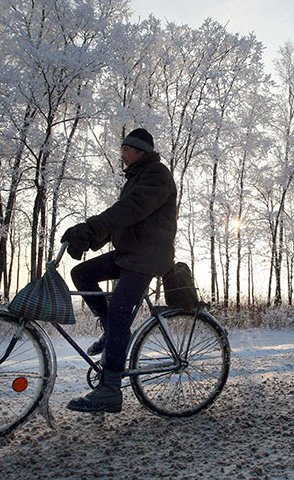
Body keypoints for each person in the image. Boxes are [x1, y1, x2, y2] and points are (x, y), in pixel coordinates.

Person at [61, 128, 177, 413]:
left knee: (119, 314)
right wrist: (90, 238)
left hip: (146, 257)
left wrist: (92, 226)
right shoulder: (137, 177)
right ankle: (110, 331)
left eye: (126, 148)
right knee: (81, 274)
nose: (121, 154)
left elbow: (131, 209)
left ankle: (110, 390)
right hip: (129, 254)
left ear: (140, 151)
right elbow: (123, 217)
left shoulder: (156, 175)